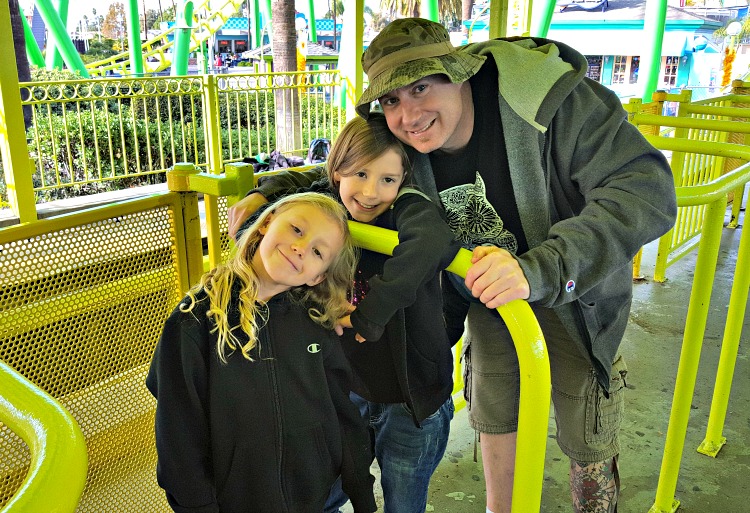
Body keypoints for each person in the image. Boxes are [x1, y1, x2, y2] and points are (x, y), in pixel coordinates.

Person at [228, 18, 678, 513]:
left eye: (421, 87)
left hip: (574, 289)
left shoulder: (553, 103)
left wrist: (541, 269)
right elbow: (352, 168)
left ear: (459, 74)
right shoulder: (405, 137)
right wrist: (271, 193)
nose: (409, 114)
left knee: (586, 426)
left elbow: (645, 188)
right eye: (392, 101)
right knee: (495, 412)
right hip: (489, 296)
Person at [235, 113, 463, 513]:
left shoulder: (408, 207)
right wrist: (264, 191)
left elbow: (432, 241)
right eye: (360, 173)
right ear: (338, 168)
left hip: (413, 400)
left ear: (403, 181)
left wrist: (368, 314)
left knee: (404, 501)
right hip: (349, 390)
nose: (371, 192)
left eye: (388, 180)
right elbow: (304, 186)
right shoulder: (329, 202)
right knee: (327, 490)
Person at [146, 192, 376, 513]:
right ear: (267, 222)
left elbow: (344, 414)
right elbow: (178, 440)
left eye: (317, 251)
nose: (300, 247)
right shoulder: (195, 320)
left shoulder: (315, 322)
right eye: (297, 229)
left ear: (317, 276)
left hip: (317, 501)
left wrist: (361, 493)